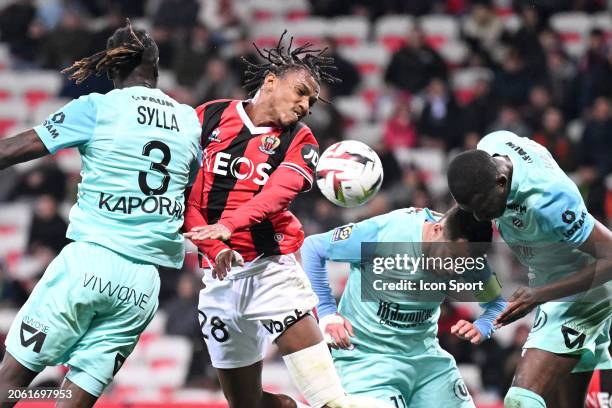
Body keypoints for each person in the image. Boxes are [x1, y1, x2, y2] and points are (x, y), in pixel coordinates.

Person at [183, 32, 390, 408]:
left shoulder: (301, 140)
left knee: (330, 402)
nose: (304, 105)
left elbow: (277, 195)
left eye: (310, 101)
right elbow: (185, 196)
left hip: (271, 274)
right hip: (218, 280)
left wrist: (229, 226)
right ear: (271, 81)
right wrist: (215, 246)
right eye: (300, 93)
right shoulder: (208, 116)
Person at [0, 20, 201, 407]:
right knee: (75, 396)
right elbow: (189, 187)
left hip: (91, 262)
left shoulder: (98, 107)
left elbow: (17, 149)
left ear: (110, 70)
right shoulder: (188, 122)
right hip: (143, 285)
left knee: (12, 378)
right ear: (156, 71)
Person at [447, 131, 612, 408]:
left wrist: (539, 295)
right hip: (553, 283)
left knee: (520, 399)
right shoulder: (491, 144)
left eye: (482, 208)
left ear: (501, 183)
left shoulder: (550, 200)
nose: (480, 217)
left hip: (586, 291)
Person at [301, 206, 506, 407]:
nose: (454, 270)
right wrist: (328, 312)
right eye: (451, 258)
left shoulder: (468, 256)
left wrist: (484, 325)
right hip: (367, 361)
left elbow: (497, 304)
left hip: (427, 361)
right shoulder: (384, 233)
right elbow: (312, 248)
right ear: (436, 230)